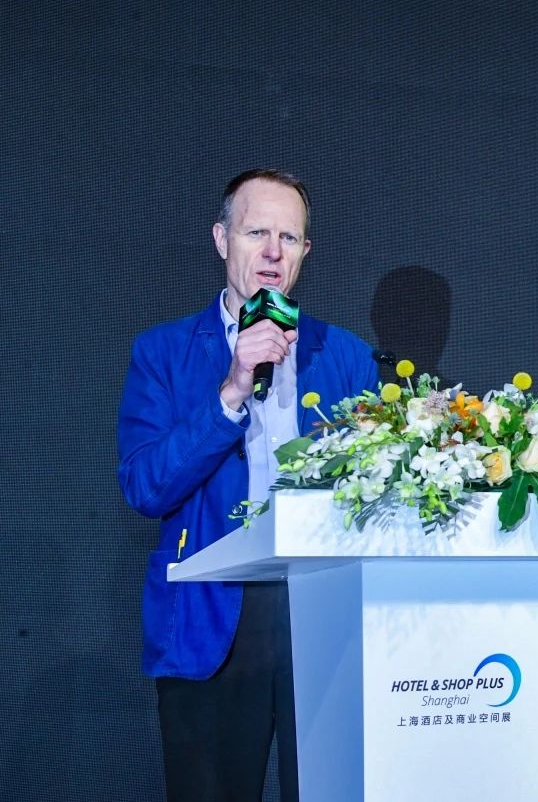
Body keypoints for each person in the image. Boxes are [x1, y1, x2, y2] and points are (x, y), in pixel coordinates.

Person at [117, 169, 379, 800]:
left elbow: (372, 488)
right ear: (221, 239)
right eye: (256, 232)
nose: (272, 252)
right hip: (213, 616)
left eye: (288, 238)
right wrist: (232, 390)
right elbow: (145, 486)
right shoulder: (164, 352)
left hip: (324, 613)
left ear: (305, 252)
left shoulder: (345, 356)